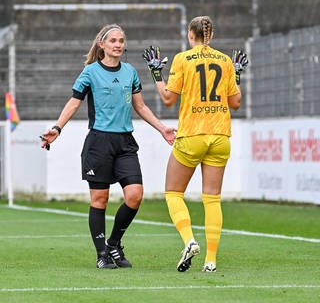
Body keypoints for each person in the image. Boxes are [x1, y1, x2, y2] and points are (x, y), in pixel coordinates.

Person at [40, 24, 176, 269]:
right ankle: (102, 254)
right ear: (102, 45)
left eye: (121, 41)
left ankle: (113, 243)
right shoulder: (90, 72)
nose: (118, 44)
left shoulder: (130, 72)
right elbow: (73, 103)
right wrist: (57, 129)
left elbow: (141, 107)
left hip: (125, 143)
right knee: (100, 200)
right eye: (113, 40)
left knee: (135, 196)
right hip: (99, 143)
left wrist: (162, 128)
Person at [143, 16, 248, 272]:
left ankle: (189, 241)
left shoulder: (182, 59)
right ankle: (210, 261)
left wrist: (156, 73)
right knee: (212, 199)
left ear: (191, 35)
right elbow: (235, 103)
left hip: (192, 135)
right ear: (210, 35)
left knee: (173, 193)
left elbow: (168, 99)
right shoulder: (224, 61)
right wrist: (237, 75)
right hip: (220, 136)